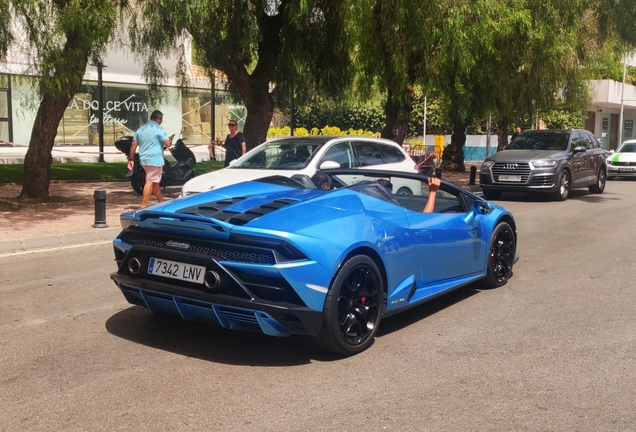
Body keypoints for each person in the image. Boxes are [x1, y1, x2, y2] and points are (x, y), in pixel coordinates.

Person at [128, 110, 173, 208]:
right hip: (154, 160)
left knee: (154, 181)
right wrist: (170, 140)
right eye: (161, 119)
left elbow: (133, 144)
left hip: (144, 159)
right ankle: (143, 206)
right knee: (150, 181)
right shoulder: (159, 129)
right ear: (158, 119)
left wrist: (130, 158)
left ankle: (161, 202)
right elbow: (167, 144)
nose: (161, 121)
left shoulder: (141, 129)